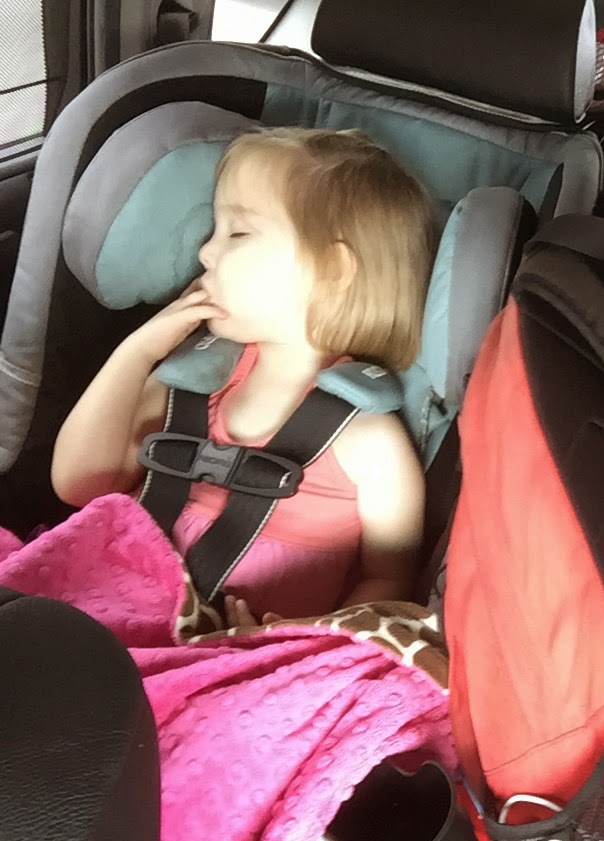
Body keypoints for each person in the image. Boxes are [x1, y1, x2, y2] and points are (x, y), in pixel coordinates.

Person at [51, 127, 433, 626]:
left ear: (331, 268)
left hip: (255, 653)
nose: (205, 253)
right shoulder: (192, 382)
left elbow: (389, 583)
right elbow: (79, 484)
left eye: (237, 233)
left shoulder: (370, 441)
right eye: (215, 230)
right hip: (113, 611)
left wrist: (291, 640)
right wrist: (137, 352)